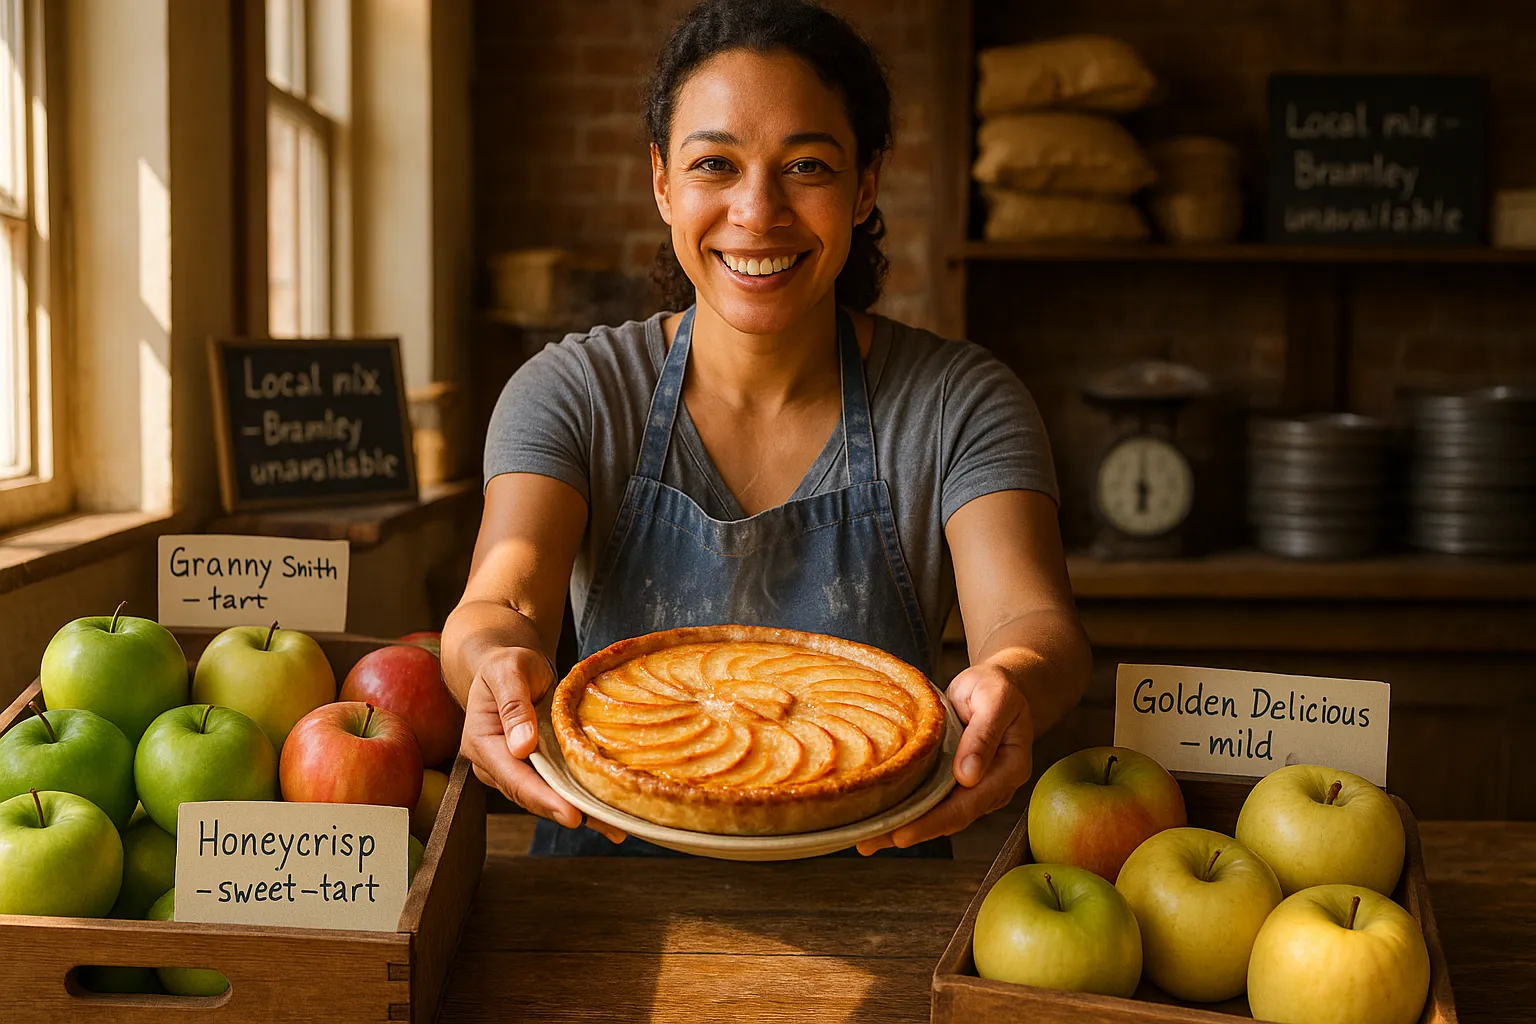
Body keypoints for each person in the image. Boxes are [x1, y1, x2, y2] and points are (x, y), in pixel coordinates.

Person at [442, 0, 1090, 856]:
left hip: (882, 906)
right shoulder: (573, 391)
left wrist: (1014, 683)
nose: (759, 210)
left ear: (865, 187)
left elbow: (1032, 625)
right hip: (598, 907)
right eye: (715, 163)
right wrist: (492, 663)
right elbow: (502, 600)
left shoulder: (959, 401)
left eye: (808, 167)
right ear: (663, 182)